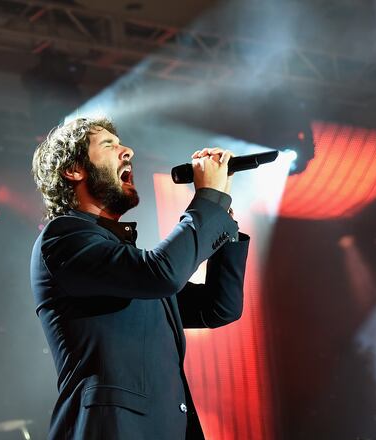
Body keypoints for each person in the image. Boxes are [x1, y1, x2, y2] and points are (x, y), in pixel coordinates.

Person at [29, 117, 249, 440]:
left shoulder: (129, 266)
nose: (128, 151)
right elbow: (163, 273)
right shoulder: (62, 239)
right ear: (74, 170)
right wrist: (208, 199)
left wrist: (221, 218)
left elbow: (218, 307)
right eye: (108, 144)